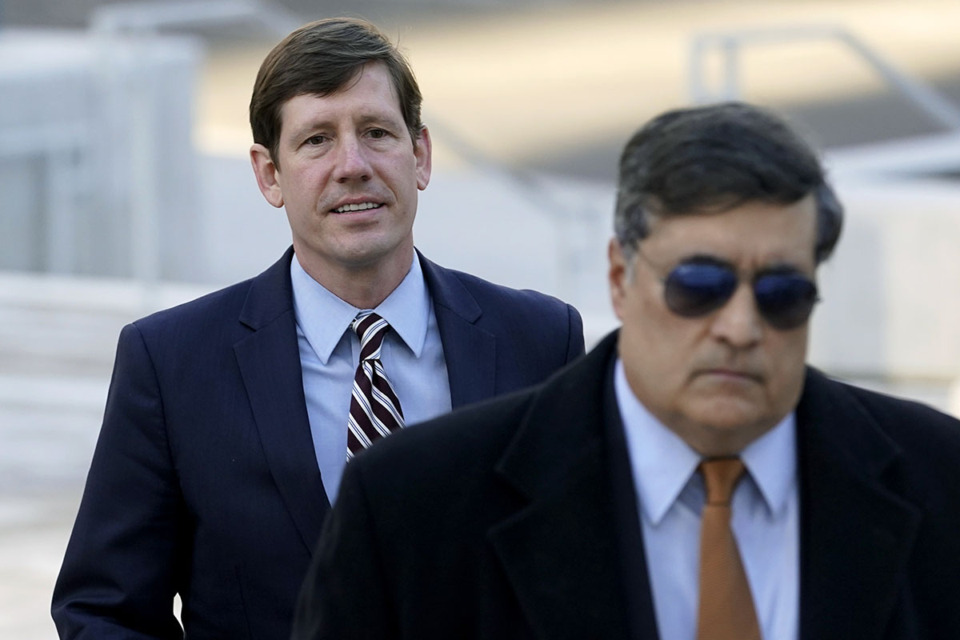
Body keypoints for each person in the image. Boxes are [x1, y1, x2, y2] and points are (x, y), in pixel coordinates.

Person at [292, 102, 960, 640]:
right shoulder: (413, 506)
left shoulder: (941, 482)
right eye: (700, 284)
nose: (740, 326)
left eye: (782, 292)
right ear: (619, 276)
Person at [52, 17, 584, 640]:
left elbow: (590, 575)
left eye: (377, 132)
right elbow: (103, 611)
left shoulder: (541, 340)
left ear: (421, 156)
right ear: (269, 174)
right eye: (316, 141)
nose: (352, 165)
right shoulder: (171, 363)